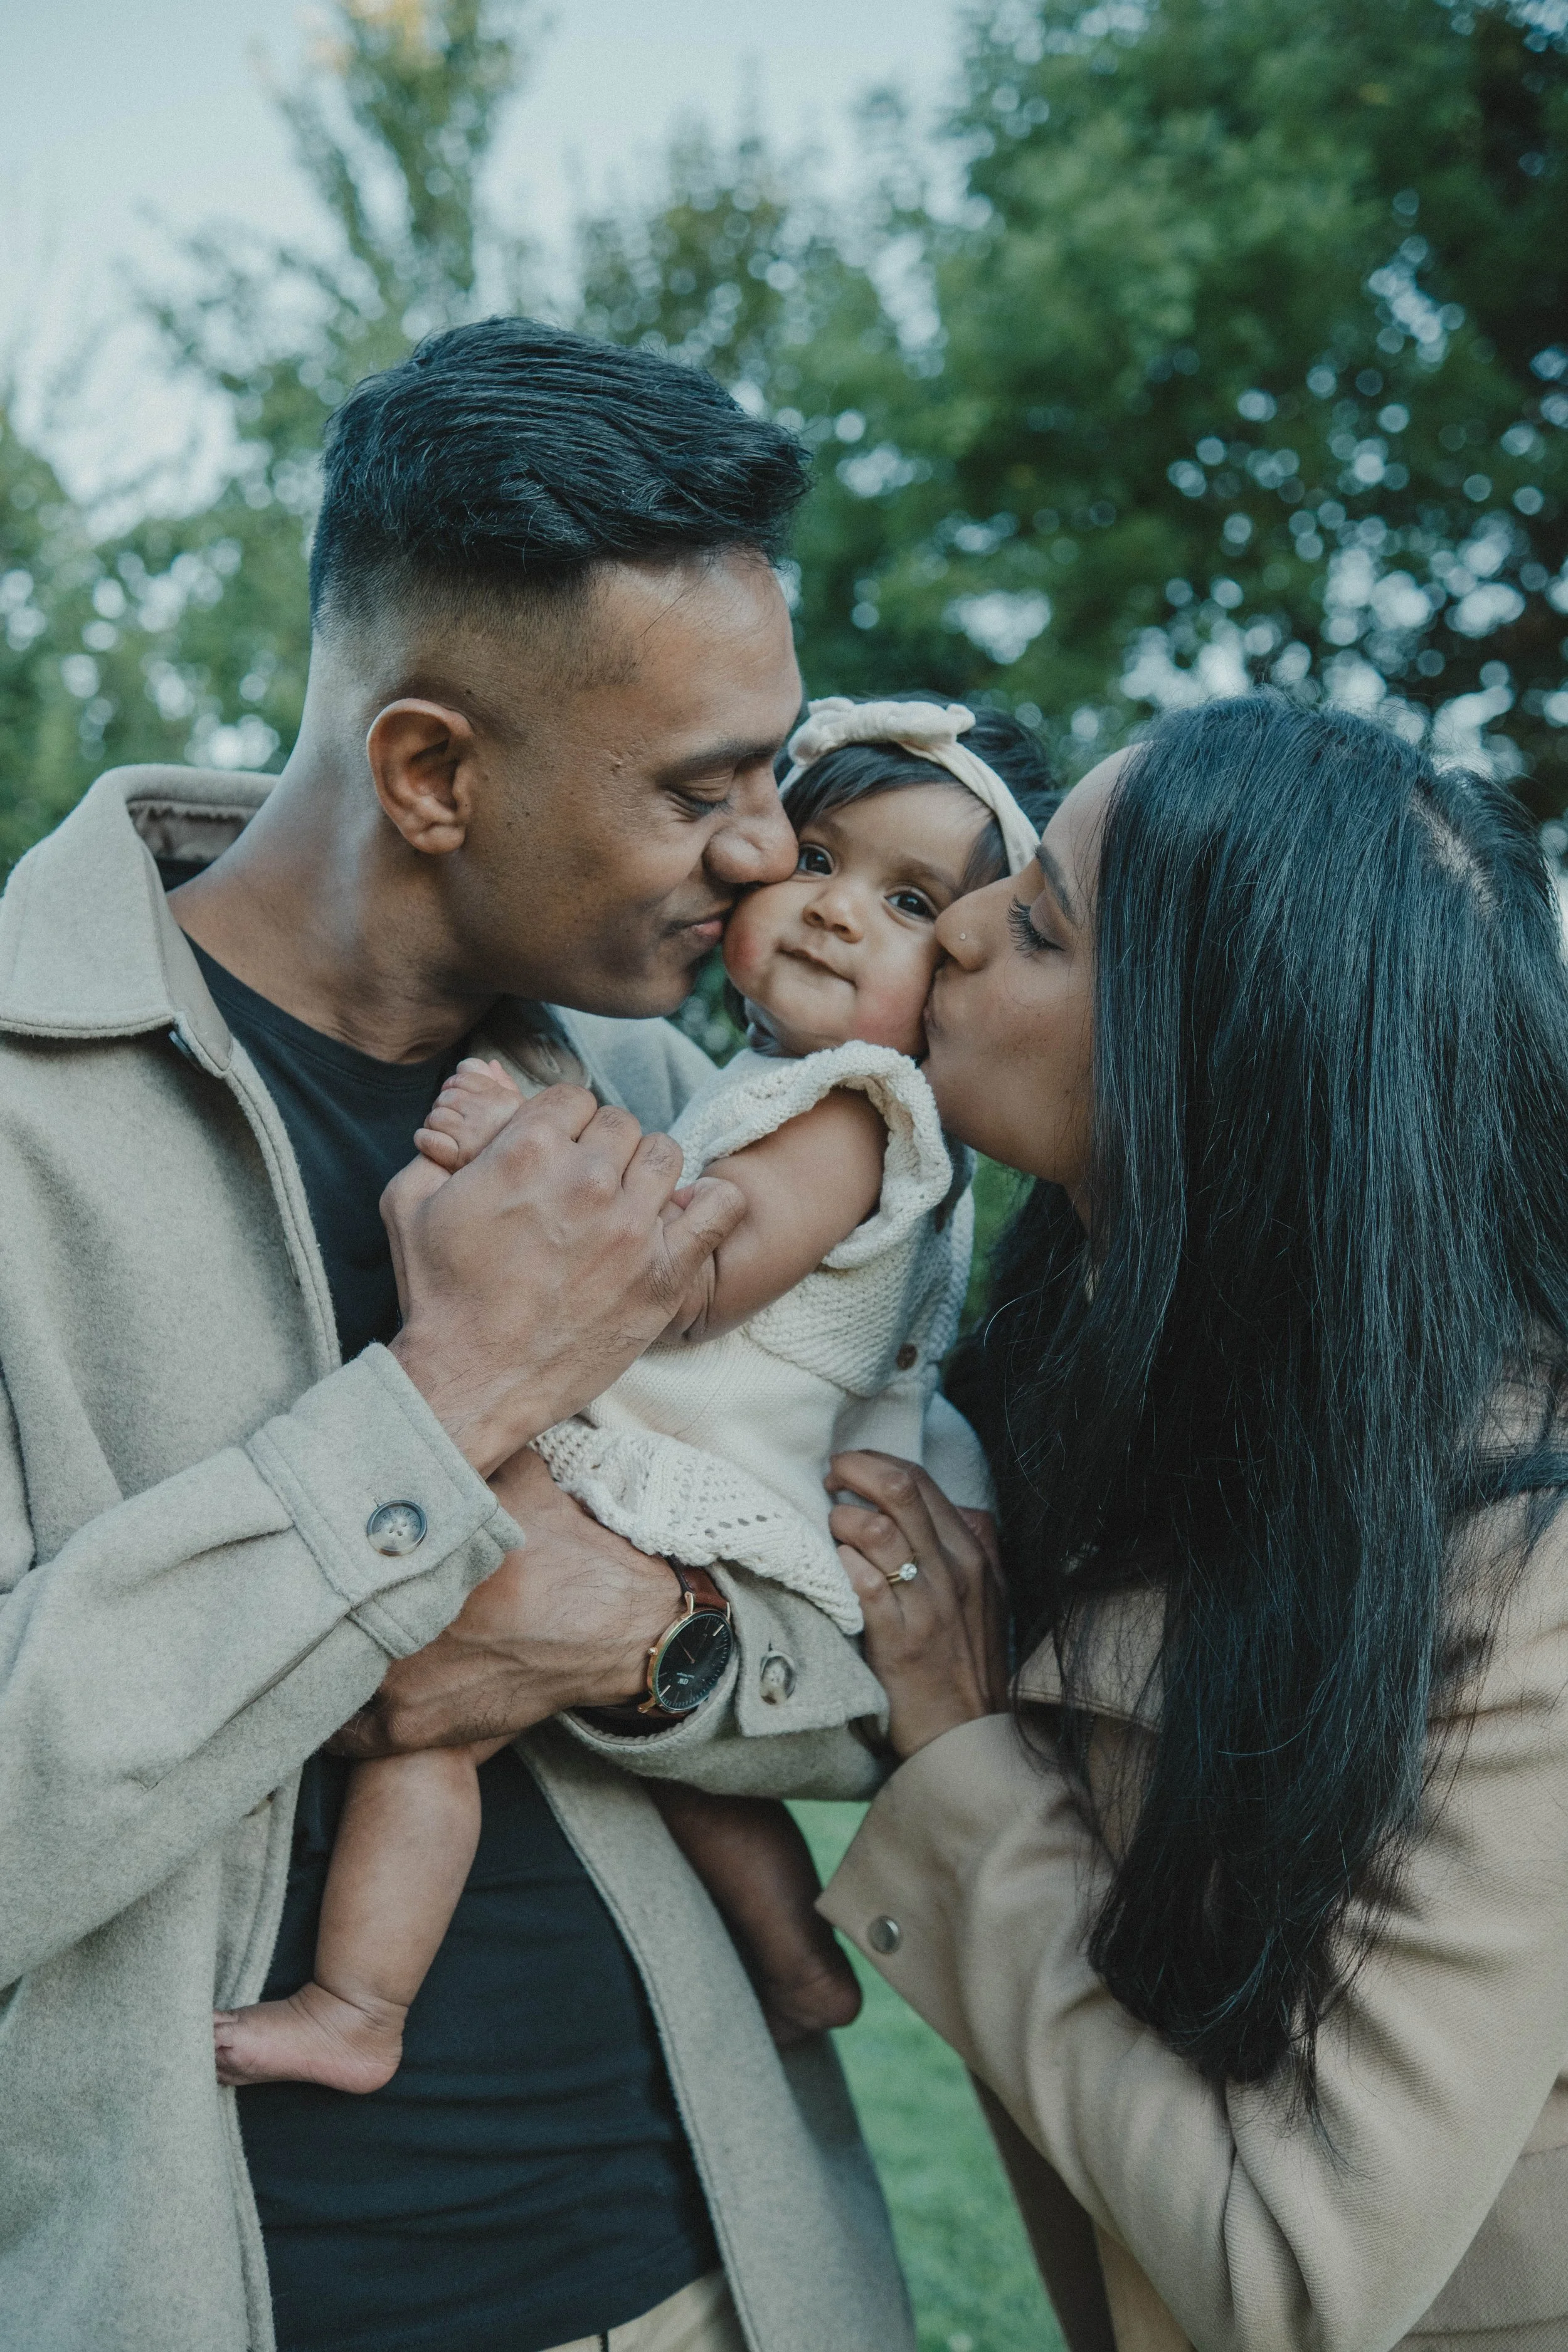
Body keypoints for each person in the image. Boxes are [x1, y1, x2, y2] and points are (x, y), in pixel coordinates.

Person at [0, 319, 943, 2352]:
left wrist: (652, 1635)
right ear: (432, 769)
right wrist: (452, 1404)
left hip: (723, 2291)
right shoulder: (15, 1111)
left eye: (774, 770)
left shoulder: (688, 1109)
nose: (773, 849)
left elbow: (902, 1650)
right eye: (705, 789)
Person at [813, 695, 1568, 2351]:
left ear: (1215, 1065)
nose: (948, 931)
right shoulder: (1085, 1377)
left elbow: (1292, 2275)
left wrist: (962, 1754)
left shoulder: (1530, 1574)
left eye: (1037, 924)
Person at [209, 696, 1053, 2087]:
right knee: (639, 1756)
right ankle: (791, 1958)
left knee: (444, 1701)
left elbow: (694, 1273)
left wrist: (524, 1147)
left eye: (906, 900)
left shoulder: (858, 1111)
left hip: (704, 1488)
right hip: (695, 1464)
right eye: (819, 856)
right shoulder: (777, 1079)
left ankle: (358, 2008)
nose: (835, 911)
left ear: (961, 971)